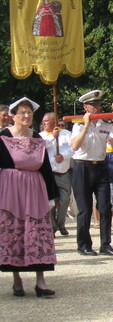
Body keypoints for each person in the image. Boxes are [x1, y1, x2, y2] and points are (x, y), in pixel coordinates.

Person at [0, 97, 59, 297]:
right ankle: (17, 279)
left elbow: (46, 168)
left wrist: (52, 196)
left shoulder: (38, 138)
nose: (26, 116)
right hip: (10, 188)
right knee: (14, 230)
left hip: (34, 188)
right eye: (22, 113)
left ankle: (40, 282)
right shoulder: (3, 137)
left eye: (29, 112)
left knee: (38, 230)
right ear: (13, 116)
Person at [70, 90, 113, 256]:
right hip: (82, 167)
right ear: (85, 107)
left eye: (98, 104)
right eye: (93, 105)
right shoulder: (77, 125)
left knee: (105, 206)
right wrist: (85, 125)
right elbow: (75, 146)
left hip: (100, 166)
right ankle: (84, 244)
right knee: (84, 209)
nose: (96, 108)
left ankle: (106, 244)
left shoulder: (106, 124)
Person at [40, 112, 74, 236]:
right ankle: (52, 226)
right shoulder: (41, 136)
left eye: (46, 121)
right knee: (50, 203)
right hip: (48, 174)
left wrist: (63, 156)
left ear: (54, 121)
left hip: (63, 173)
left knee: (65, 200)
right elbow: (40, 148)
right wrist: (52, 137)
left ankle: (61, 223)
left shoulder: (66, 134)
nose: (44, 123)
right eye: (43, 121)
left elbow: (73, 149)